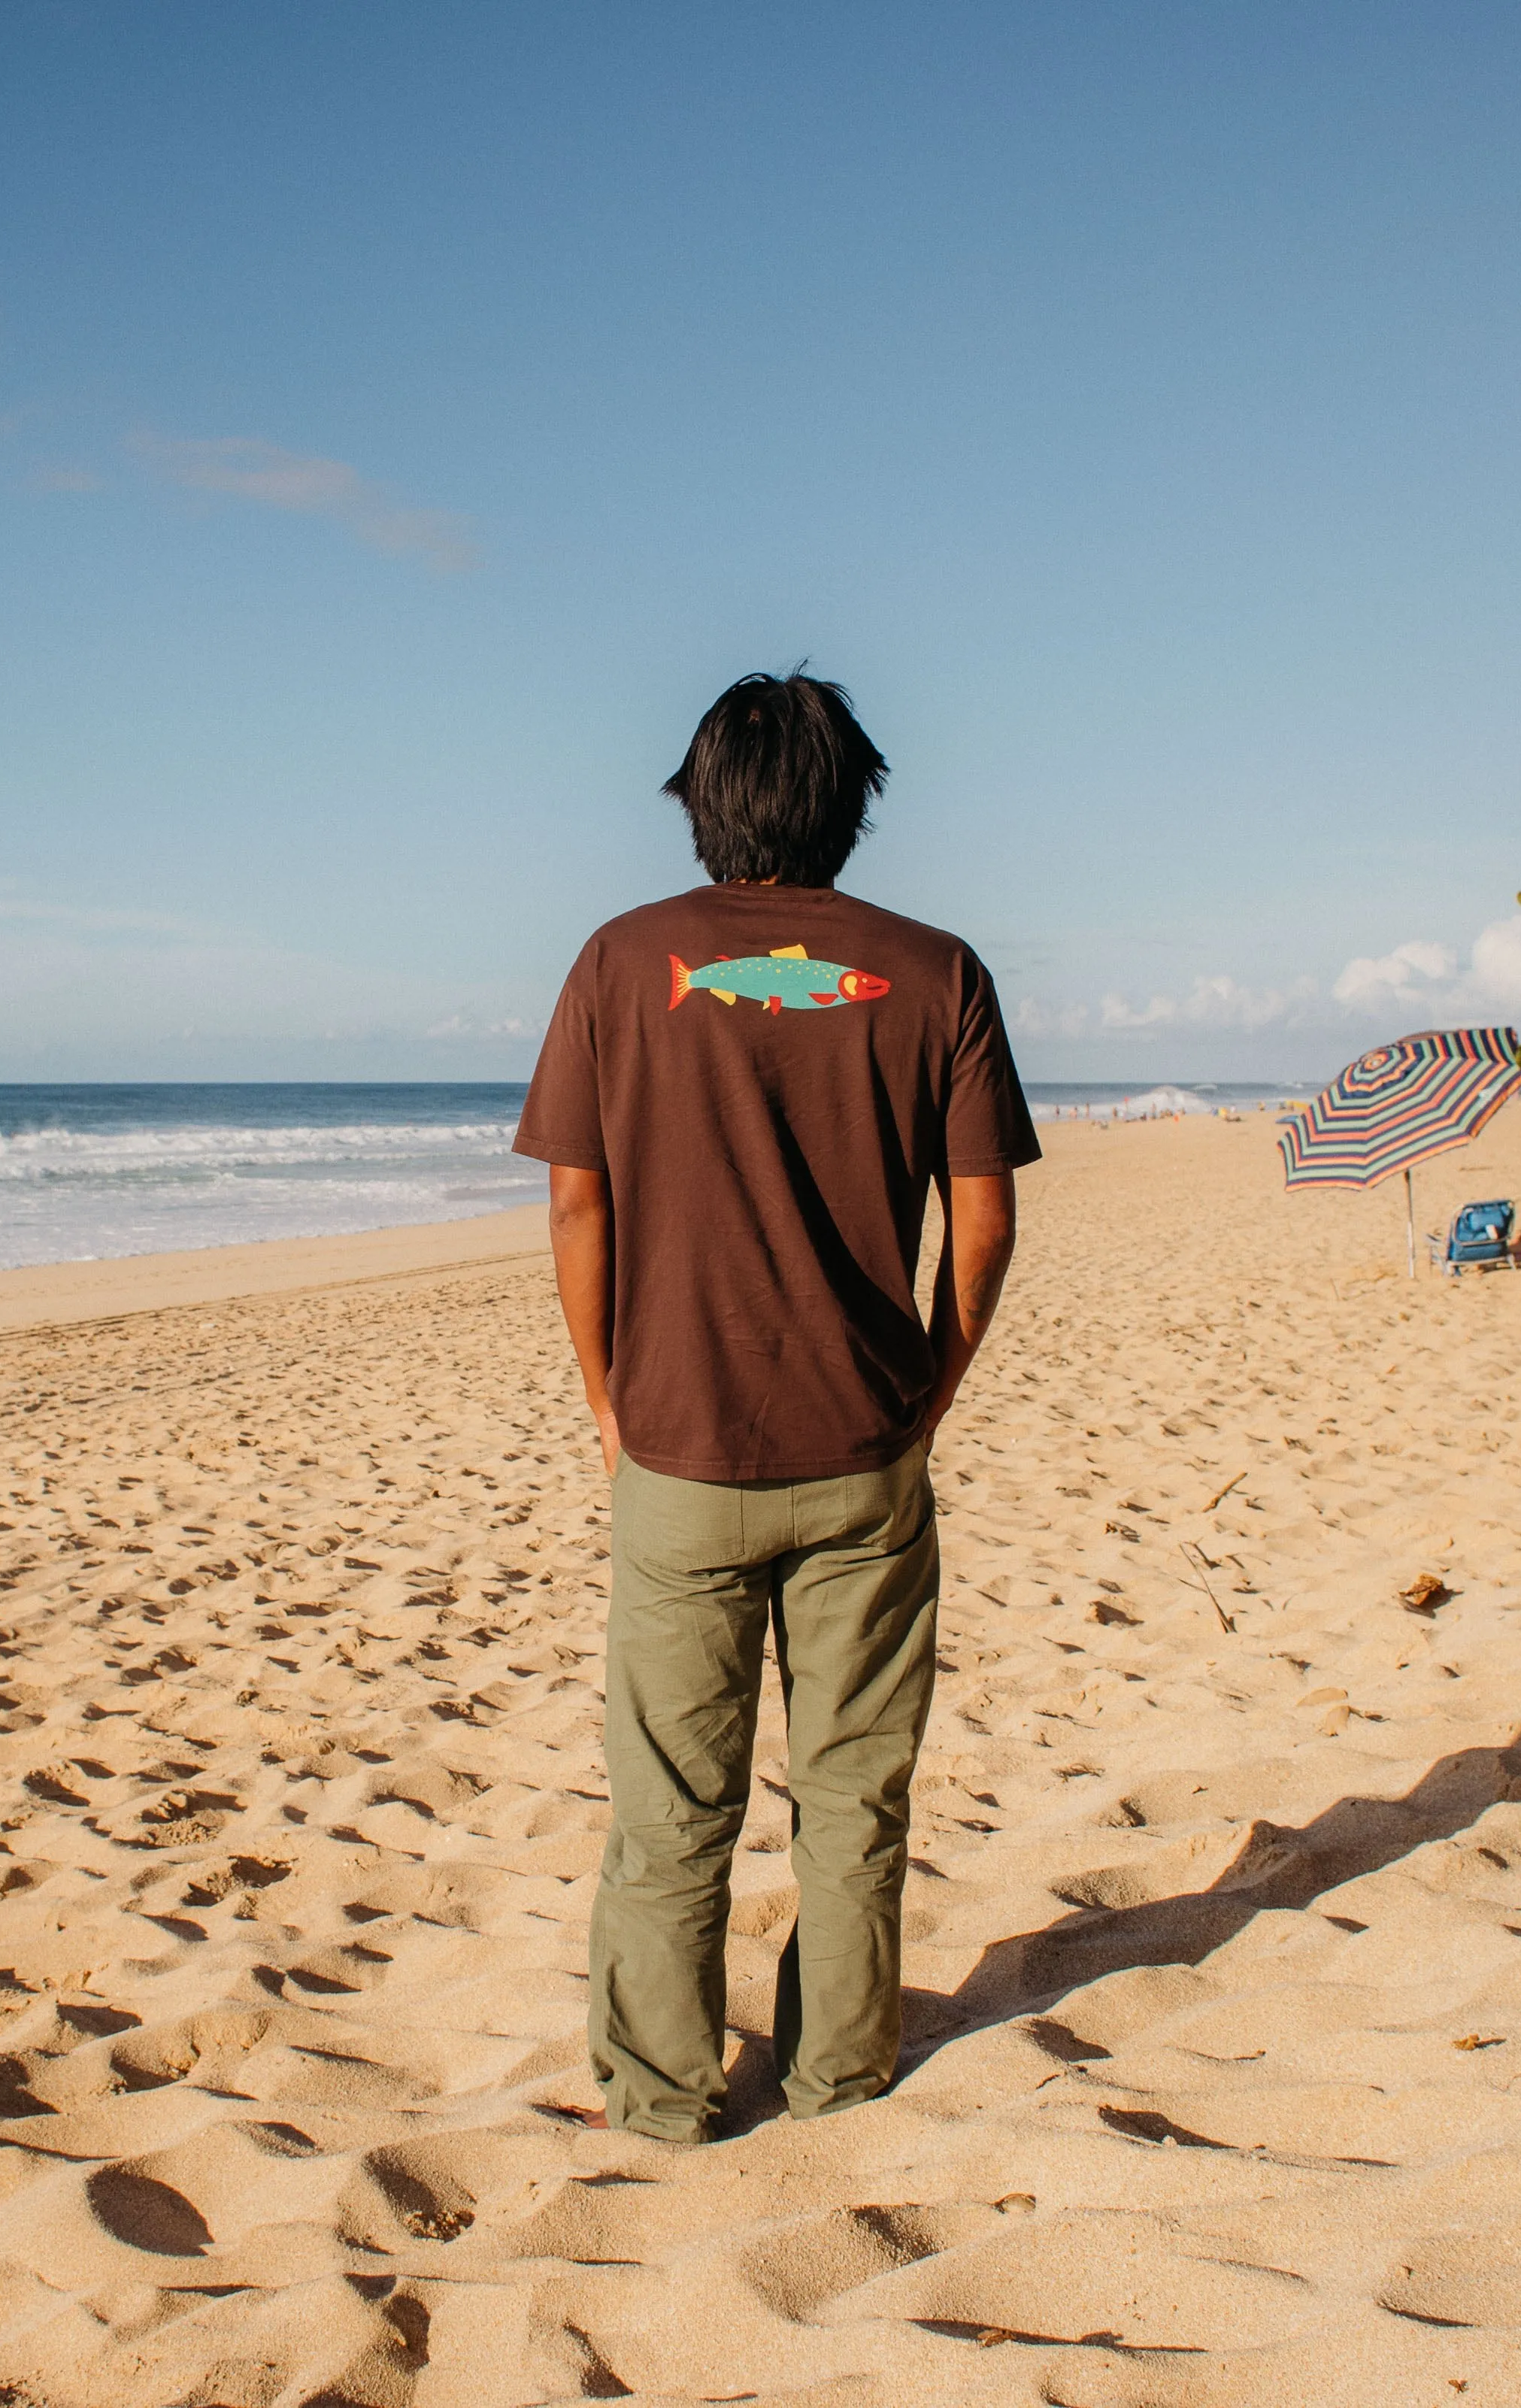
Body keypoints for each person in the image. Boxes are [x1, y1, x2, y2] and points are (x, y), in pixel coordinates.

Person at [515, 672, 1038, 2144]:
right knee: (853, 1795)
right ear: (849, 804)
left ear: (703, 803)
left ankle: (665, 2094)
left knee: (673, 1803)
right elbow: (984, 1220)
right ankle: (837, 2074)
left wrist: (610, 1400)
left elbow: (576, 1201)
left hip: (679, 1446)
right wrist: (934, 1381)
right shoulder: (937, 972)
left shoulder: (623, 962)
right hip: (868, 1445)